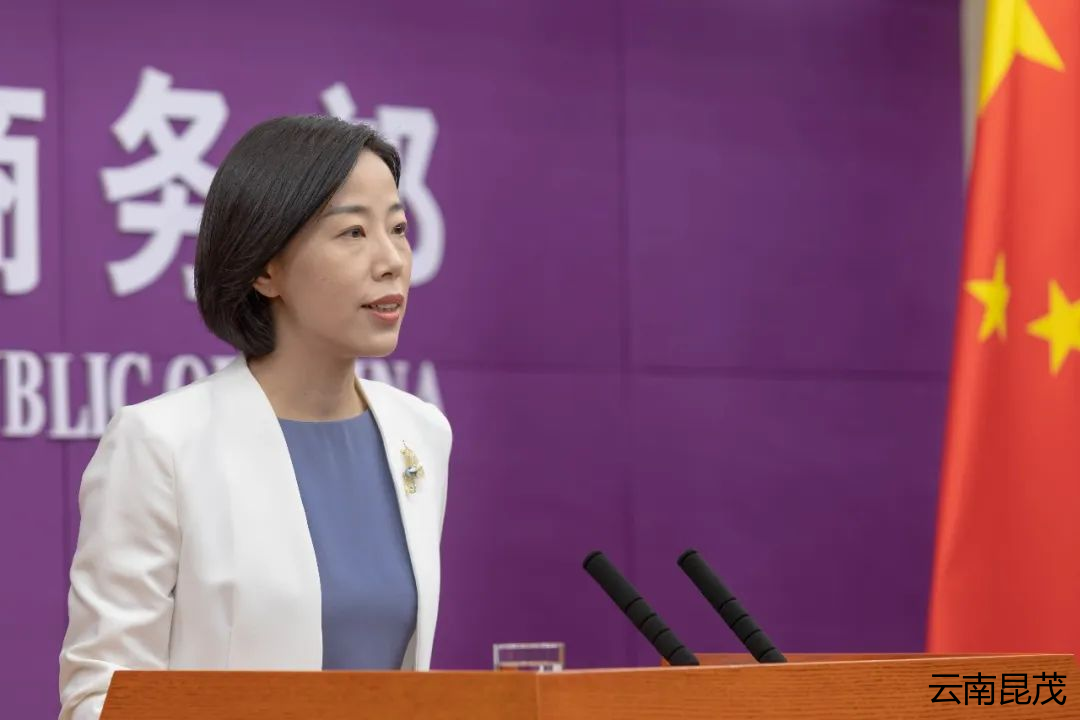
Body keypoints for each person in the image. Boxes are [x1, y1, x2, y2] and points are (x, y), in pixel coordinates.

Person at [58, 115, 451, 720]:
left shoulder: (419, 433)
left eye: (398, 228)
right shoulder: (162, 444)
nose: (391, 260)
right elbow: (100, 695)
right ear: (266, 269)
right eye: (352, 232)